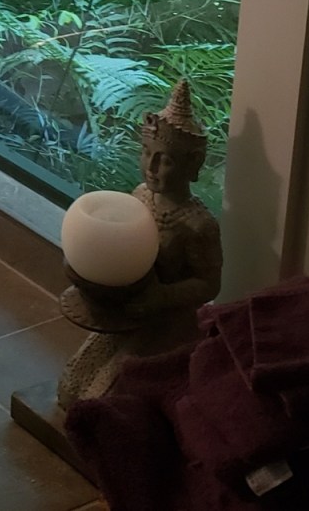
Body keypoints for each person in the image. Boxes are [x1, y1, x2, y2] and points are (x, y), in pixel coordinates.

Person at [57, 79, 223, 407]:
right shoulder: (139, 197)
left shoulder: (197, 225)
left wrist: (162, 297)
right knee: (70, 386)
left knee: (99, 395)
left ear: (192, 166)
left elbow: (209, 285)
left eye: (166, 160)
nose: (152, 167)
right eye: (147, 153)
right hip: (129, 310)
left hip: (168, 322)